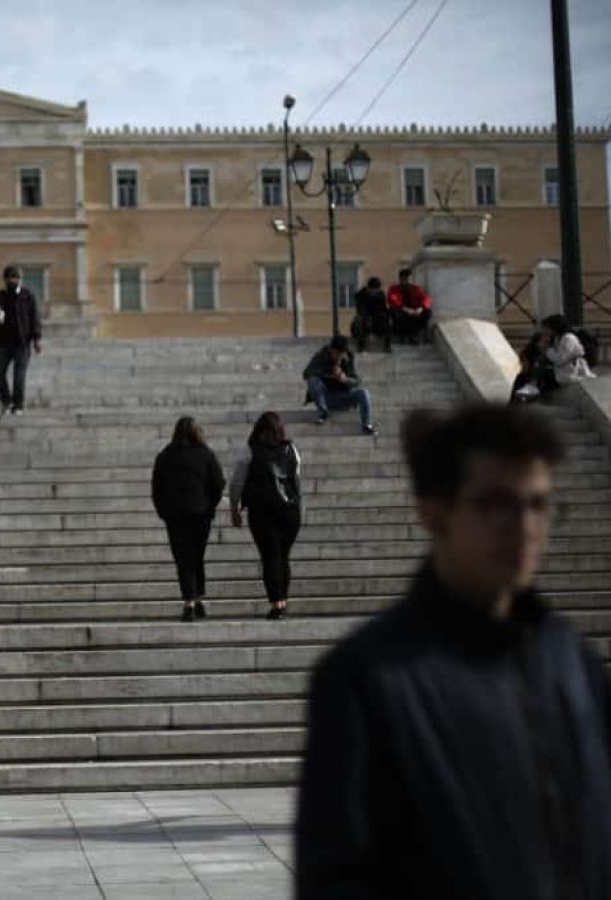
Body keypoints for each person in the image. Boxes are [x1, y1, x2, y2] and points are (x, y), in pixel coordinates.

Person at [296, 404, 611, 899]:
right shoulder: (366, 678)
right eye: (496, 504)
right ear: (433, 512)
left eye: (538, 504)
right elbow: (337, 878)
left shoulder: (573, 661)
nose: (524, 527)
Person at [151, 416, 226, 622]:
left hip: (175, 516)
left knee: (183, 559)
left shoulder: (165, 456)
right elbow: (219, 483)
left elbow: (156, 488)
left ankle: (190, 603)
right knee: (196, 556)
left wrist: (163, 511)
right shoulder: (206, 455)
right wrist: (210, 506)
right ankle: (197, 598)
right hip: (200, 514)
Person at [229, 412, 302, 620]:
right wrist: (299, 508)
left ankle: (276, 602)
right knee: (282, 556)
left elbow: (237, 482)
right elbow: (296, 480)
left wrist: (234, 508)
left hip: (262, 511)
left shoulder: (250, 450)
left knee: (270, 556)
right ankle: (283, 600)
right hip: (289, 511)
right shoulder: (291, 449)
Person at [0, 265, 42, 415]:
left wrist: (37, 339)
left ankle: (18, 405)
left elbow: (35, 319)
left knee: (19, 376)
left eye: (17, 277)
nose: (14, 280)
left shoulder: (28, 296)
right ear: (5, 279)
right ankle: (6, 401)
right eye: (11, 277)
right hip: (5, 343)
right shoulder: (0, 297)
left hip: (22, 343)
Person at [303, 335, 377, 435]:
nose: (339, 357)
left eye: (341, 354)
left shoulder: (348, 358)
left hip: (343, 397)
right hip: (326, 397)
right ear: (331, 350)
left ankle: (366, 424)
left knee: (364, 393)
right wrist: (328, 373)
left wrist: (345, 379)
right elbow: (306, 373)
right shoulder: (321, 356)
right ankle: (324, 413)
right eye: (336, 353)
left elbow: (357, 381)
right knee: (313, 380)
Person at [541, 313, 597, 385]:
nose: (545, 330)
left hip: (573, 375)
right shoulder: (557, 339)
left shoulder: (568, 338)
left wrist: (547, 350)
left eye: (547, 328)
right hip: (563, 374)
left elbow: (560, 360)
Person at [387, 267, 433, 344]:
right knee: (396, 313)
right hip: (401, 310)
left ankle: (414, 336)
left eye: (409, 279)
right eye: (406, 279)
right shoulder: (394, 288)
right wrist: (405, 309)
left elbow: (426, 299)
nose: (408, 282)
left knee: (427, 312)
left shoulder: (416, 288)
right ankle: (403, 336)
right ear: (401, 279)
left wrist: (420, 308)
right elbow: (392, 299)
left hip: (415, 311)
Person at [510, 331, 555, 403]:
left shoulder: (550, 354)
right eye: (544, 342)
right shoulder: (530, 353)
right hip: (526, 380)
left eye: (549, 343)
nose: (546, 345)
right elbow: (525, 369)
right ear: (537, 342)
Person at [350, 276, 391, 353]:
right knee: (363, 320)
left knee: (385, 319)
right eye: (373, 291)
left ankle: (387, 345)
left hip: (377, 320)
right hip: (364, 319)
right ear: (369, 288)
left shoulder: (380, 294)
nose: (374, 292)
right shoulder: (361, 295)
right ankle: (361, 345)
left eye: (376, 291)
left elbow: (384, 309)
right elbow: (361, 311)